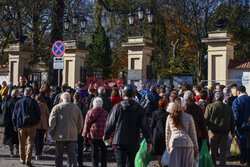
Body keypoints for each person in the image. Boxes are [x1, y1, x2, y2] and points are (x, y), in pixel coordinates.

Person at [104, 84, 152, 167]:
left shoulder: (117, 107)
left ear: (123, 94)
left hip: (119, 140)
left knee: (120, 164)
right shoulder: (139, 109)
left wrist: (106, 135)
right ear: (134, 95)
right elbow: (145, 126)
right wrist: (148, 140)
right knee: (131, 164)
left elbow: (110, 123)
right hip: (133, 141)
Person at [49, 92, 83, 167]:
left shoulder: (56, 108)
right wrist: (78, 131)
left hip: (60, 135)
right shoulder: (76, 108)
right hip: (72, 134)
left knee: (59, 155)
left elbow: (52, 122)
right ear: (70, 99)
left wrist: (52, 132)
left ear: (61, 100)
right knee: (72, 155)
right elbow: (80, 122)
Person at [204, 92, 235, 167]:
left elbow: (206, 119)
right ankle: (222, 165)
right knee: (223, 151)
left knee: (213, 150)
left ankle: (213, 164)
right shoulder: (228, 108)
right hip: (224, 132)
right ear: (223, 98)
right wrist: (233, 131)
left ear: (215, 98)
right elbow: (232, 121)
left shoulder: (210, 106)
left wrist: (207, 129)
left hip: (213, 132)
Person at [12, 87, 41, 167]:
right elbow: (38, 113)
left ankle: (22, 158)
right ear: (31, 94)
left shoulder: (18, 102)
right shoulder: (34, 101)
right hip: (31, 125)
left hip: (21, 125)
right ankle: (28, 159)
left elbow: (14, 114)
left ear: (24, 93)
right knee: (30, 143)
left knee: (21, 143)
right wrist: (37, 122)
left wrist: (15, 124)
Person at [165, 98, 199, 167]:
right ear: (183, 106)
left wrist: (168, 146)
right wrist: (196, 147)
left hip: (174, 144)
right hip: (187, 144)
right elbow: (193, 134)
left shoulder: (170, 117)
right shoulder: (189, 117)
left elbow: (167, 133)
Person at [82, 97, 108, 167]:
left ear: (93, 104)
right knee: (104, 152)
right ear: (101, 104)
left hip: (93, 135)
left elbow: (86, 124)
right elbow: (108, 124)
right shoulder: (105, 113)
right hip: (103, 135)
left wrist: (84, 135)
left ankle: (95, 165)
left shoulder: (90, 112)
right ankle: (104, 165)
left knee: (94, 153)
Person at [232, 86, 250, 165]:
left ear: (238, 92)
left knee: (243, 144)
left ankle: (243, 160)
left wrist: (233, 128)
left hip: (241, 126)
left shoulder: (236, 101)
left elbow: (235, 116)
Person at [150, 99, 169, 167]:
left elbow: (152, 125)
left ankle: (160, 165)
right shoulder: (168, 114)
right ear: (166, 105)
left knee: (159, 153)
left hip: (156, 134)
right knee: (165, 151)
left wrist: (150, 136)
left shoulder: (154, 113)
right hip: (165, 134)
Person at [2, 89, 20, 157]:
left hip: (9, 123)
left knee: (10, 140)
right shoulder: (18, 101)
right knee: (18, 138)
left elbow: (5, 113)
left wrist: (4, 122)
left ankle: (11, 152)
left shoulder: (8, 102)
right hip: (17, 122)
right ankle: (18, 151)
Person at [73, 91, 88, 167]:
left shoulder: (72, 106)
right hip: (81, 127)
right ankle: (80, 161)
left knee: (73, 145)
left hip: (73, 128)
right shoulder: (84, 107)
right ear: (80, 98)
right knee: (80, 144)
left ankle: (73, 161)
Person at [34, 94, 49, 160]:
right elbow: (48, 115)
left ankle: (36, 153)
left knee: (35, 140)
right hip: (43, 125)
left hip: (35, 125)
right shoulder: (44, 106)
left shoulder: (34, 105)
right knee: (41, 140)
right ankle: (40, 152)